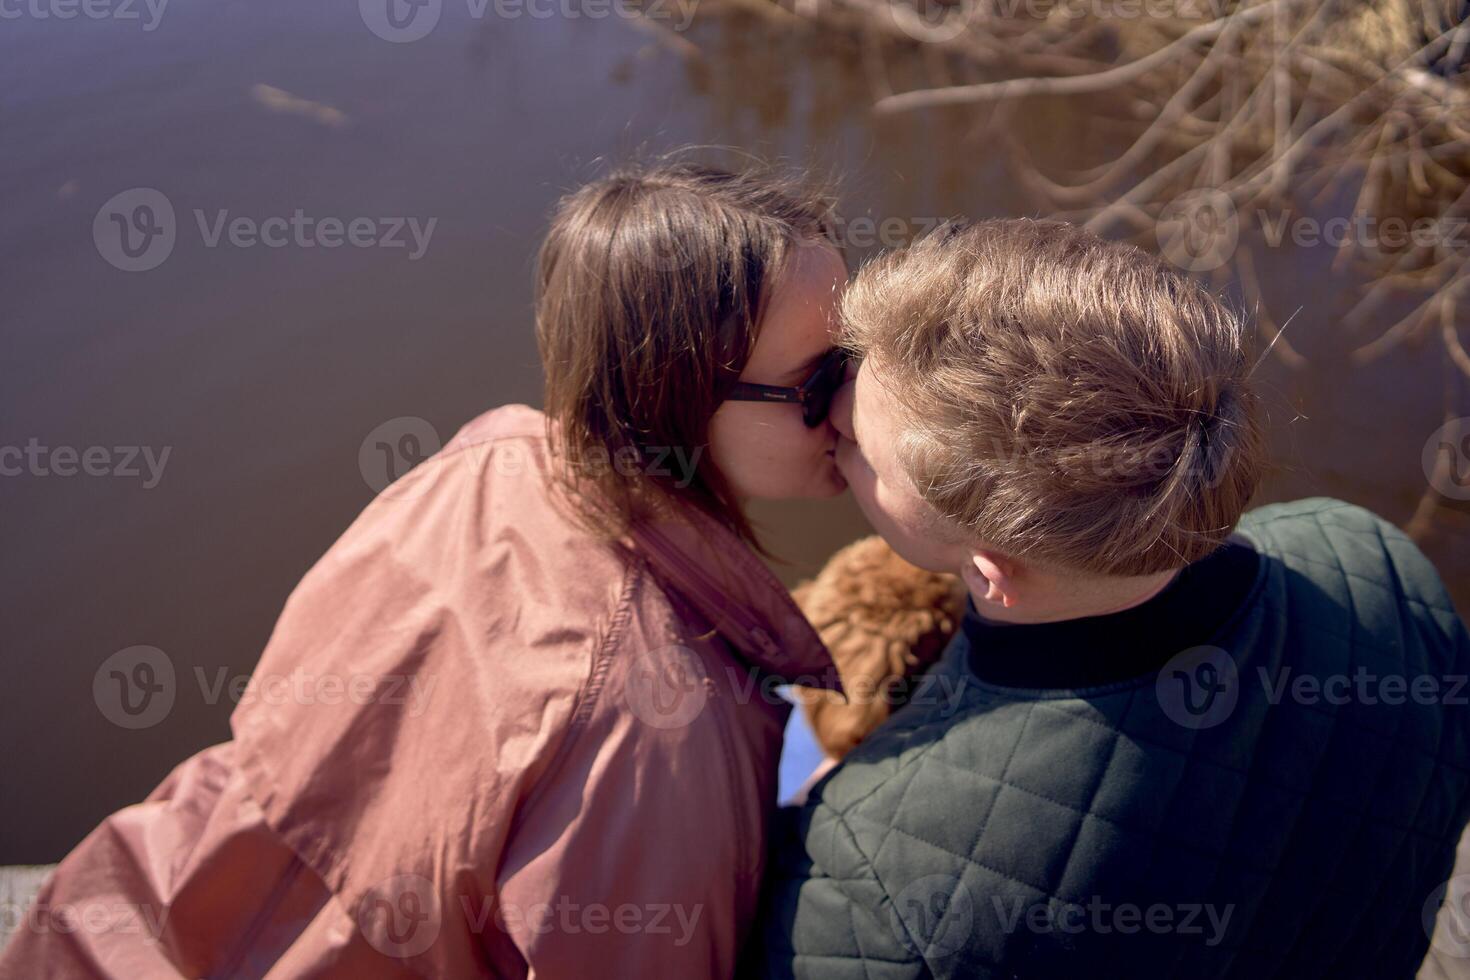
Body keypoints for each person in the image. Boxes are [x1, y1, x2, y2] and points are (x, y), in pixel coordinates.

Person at [0, 159, 854, 977]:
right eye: (819, 381)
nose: (856, 402)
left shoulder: (487, 462)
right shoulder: (659, 725)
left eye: (858, 355)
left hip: (118, 919)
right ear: (675, 392)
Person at [751, 218, 1470, 979]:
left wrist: (840, 803)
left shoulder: (875, 889)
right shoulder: (1373, 559)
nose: (833, 419)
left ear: (992, 571)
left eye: (860, 447)